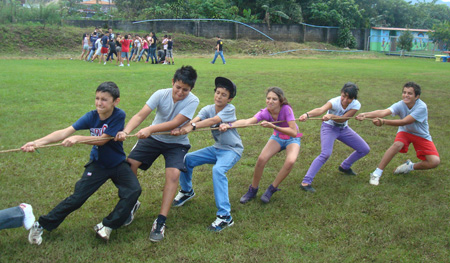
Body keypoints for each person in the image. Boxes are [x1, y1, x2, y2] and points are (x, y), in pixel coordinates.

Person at [21, 82, 142, 245]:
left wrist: (78, 139)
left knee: (133, 190)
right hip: (98, 165)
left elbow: (103, 140)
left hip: (117, 164)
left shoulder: (119, 115)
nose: (99, 103)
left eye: (104, 100)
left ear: (116, 101)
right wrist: (37, 143)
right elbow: (65, 132)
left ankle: (107, 225)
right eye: (97, 98)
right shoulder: (91, 116)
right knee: (77, 199)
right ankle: (41, 224)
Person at [115, 66, 199, 242]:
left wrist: (150, 129)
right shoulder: (160, 94)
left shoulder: (193, 101)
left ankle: (160, 221)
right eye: (178, 87)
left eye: (185, 89)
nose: (180, 92)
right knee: (129, 164)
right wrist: (126, 131)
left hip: (177, 144)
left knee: (173, 174)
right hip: (153, 139)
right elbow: (140, 115)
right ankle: (131, 202)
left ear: (191, 89)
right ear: (172, 83)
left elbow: (175, 123)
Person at [172, 77, 242, 232]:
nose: (219, 96)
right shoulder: (208, 108)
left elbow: (212, 121)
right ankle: (187, 191)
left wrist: (193, 127)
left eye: (224, 95)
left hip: (232, 149)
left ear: (229, 99)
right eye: (217, 93)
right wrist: (182, 128)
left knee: (218, 170)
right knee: (187, 159)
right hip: (217, 148)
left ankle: (225, 217)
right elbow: (196, 119)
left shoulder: (229, 109)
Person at [222, 87, 301, 203]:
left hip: (292, 139)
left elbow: (294, 132)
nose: (270, 101)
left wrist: (273, 126)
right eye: (268, 98)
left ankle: (272, 189)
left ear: (280, 101)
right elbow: (247, 122)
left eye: (274, 99)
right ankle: (253, 190)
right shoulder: (265, 112)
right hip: (278, 137)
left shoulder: (286, 109)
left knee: (290, 161)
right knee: (261, 159)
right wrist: (229, 124)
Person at [356, 82, 440, 186]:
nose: (406, 95)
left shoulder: (421, 107)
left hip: (421, 135)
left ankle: (409, 167)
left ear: (417, 96)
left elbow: (405, 121)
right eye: (404, 92)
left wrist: (383, 122)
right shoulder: (401, 104)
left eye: (410, 93)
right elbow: (383, 112)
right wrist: (365, 114)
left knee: (434, 162)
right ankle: (376, 173)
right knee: (397, 144)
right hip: (405, 131)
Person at [298, 82, 370, 193]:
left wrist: (331, 116)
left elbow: (343, 119)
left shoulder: (356, 105)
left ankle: (345, 166)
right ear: (341, 93)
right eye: (343, 96)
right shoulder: (334, 102)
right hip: (329, 128)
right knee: (325, 153)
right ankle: (306, 182)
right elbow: (321, 110)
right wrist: (307, 115)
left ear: (354, 98)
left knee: (364, 149)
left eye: (349, 98)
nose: (345, 100)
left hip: (343, 129)